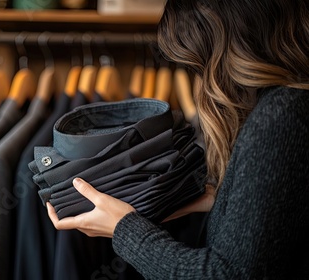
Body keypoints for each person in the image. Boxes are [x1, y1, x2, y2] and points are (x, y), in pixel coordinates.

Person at [46, 0, 309, 278]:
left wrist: (123, 228)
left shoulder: (281, 114)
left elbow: (227, 274)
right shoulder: (286, 108)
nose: (202, 80)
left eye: (199, 64)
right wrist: (211, 198)